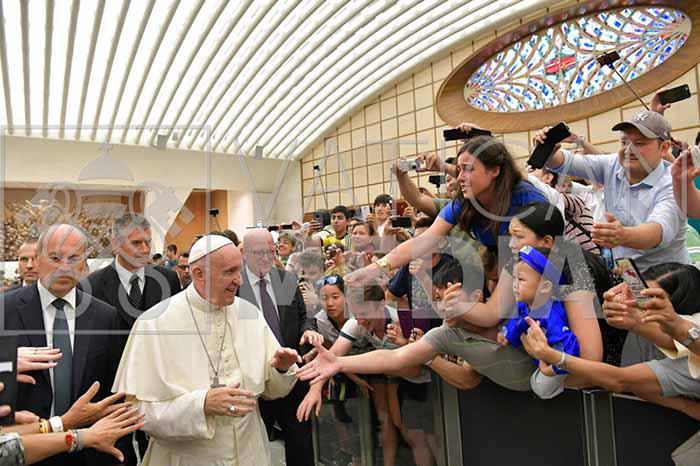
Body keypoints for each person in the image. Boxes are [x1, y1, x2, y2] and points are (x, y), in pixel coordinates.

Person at [113, 234, 302, 466]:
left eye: (239, 270)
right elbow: (136, 411)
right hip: (187, 459)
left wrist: (281, 370)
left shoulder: (249, 313)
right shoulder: (154, 324)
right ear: (198, 274)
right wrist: (201, 405)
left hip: (250, 454)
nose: (240, 280)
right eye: (229, 272)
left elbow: (271, 391)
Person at [1, 224, 128, 466]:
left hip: (89, 453)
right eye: (55, 258)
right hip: (23, 450)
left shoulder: (105, 316)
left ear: (84, 263)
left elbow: (114, 395)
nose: (64, 267)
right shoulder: (4, 310)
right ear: (37, 259)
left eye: (74, 258)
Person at [539, 110, 690, 271]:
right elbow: (564, 162)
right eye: (624, 142)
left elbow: (657, 231)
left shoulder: (674, 183)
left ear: (663, 148)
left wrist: (622, 235)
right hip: (628, 274)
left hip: (669, 277)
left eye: (640, 143)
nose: (629, 150)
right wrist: (548, 150)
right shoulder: (613, 165)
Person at [237, 229, 321, 466]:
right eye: (259, 253)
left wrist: (308, 329)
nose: (266, 258)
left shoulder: (286, 279)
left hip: (293, 374)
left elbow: (305, 315)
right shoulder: (235, 284)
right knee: (253, 446)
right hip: (254, 379)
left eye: (270, 252)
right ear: (244, 254)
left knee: (300, 443)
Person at [497, 246, 580, 399]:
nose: (514, 284)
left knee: (540, 387)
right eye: (514, 278)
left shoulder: (552, 317)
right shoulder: (524, 304)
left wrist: (553, 369)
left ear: (545, 287)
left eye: (521, 279)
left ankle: (564, 384)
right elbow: (516, 318)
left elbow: (570, 348)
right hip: (536, 355)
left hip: (552, 363)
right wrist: (507, 333)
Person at [85, 213, 181, 337]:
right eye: (136, 243)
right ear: (115, 244)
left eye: (147, 242)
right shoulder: (92, 285)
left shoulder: (169, 279)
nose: (145, 250)